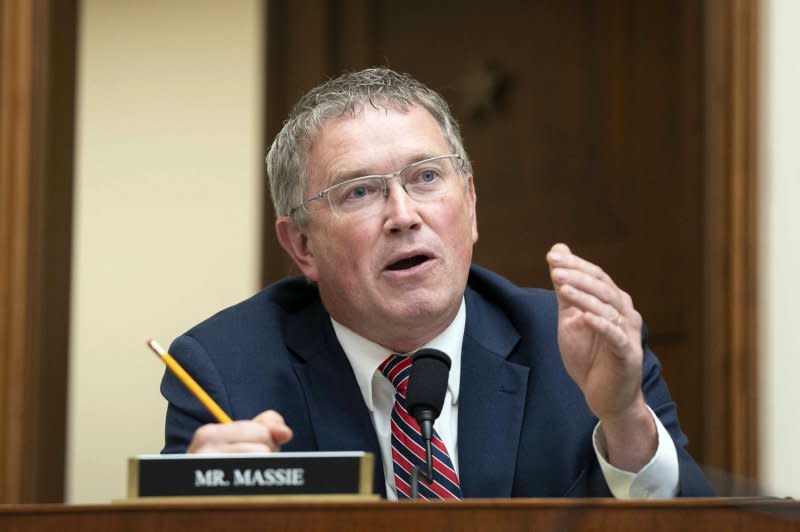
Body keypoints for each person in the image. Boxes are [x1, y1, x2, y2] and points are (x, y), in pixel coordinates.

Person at [161, 67, 713, 499]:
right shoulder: (225, 374)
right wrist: (206, 507)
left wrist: (624, 418)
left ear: (470, 205)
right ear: (302, 246)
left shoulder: (576, 345)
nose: (403, 215)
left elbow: (698, 526)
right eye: (359, 191)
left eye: (426, 177)